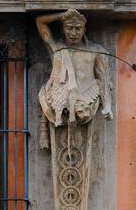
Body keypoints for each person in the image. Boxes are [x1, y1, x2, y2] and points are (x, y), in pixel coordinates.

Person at [36, 9, 113, 151]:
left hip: (87, 100)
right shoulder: (57, 49)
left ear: (84, 30)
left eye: (78, 29)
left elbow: (103, 79)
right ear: (63, 29)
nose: (73, 33)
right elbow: (40, 22)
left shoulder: (97, 51)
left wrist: (107, 105)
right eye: (69, 28)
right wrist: (62, 15)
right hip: (60, 100)